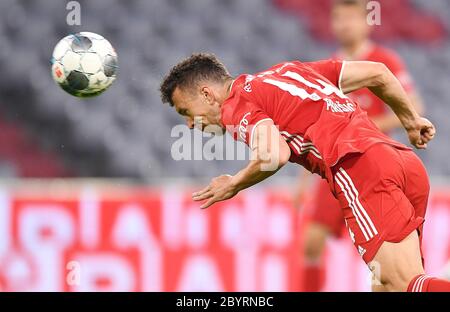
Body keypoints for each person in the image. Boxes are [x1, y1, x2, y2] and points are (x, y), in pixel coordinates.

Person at [159, 52, 448, 292]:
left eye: (186, 111)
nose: (189, 124)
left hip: (360, 167)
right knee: (387, 286)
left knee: (401, 284)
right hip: (402, 162)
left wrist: (233, 184)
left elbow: (275, 154)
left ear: (208, 94)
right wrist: (410, 121)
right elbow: (378, 73)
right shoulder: (289, 72)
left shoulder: (236, 105)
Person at [295, 0, 424, 292]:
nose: (344, 25)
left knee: (385, 262)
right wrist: (304, 180)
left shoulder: (384, 61)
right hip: (336, 166)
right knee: (312, 242)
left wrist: (366, 127)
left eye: (351, 19)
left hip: (373, 165)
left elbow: (414, 106)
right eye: (338, 19)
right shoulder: (330, 67)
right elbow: (313, 126)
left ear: (367, 23)